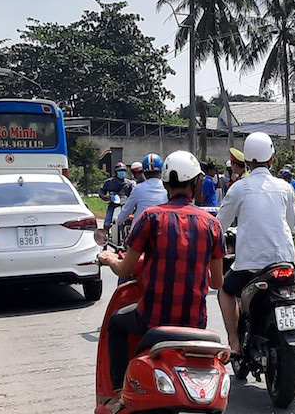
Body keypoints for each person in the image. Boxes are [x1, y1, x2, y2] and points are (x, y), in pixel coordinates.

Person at [98, 150, 225, 407]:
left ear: (166, 184)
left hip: (151, 319)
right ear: (196, 182)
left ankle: (119, 392)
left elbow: (124, 270)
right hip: (195, 324)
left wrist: (109, 259)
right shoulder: (212, 224)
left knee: (116, 325)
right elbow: (217, 283)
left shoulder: (150, 217)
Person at [217, 132, 295, 353]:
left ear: (246, 162)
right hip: (285, 263)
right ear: (272, 159)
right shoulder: (285, 187)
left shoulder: (239, 188)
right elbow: (292, 225)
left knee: (225, 289)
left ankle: (234, 341)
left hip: (250, 266)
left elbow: (218, 226)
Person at [116, 154, 168, 228]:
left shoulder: (138, 188)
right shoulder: (167, 187)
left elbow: (126, 211)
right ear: (161, 171)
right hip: (162, 230)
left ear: (144, 172)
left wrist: (118, 221)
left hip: (140, 232)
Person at [98, 162, 133, 233]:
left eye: (123, 171)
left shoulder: (129, 183)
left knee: (131, 221)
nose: (122, 172)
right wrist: (105, 197)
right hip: (112, 205)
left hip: (125, 206)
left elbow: (133, 194)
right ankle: (106, 237)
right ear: (116, 172)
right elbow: (101, 191)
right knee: (107, 222)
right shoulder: (109, 182)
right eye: (120, 171)